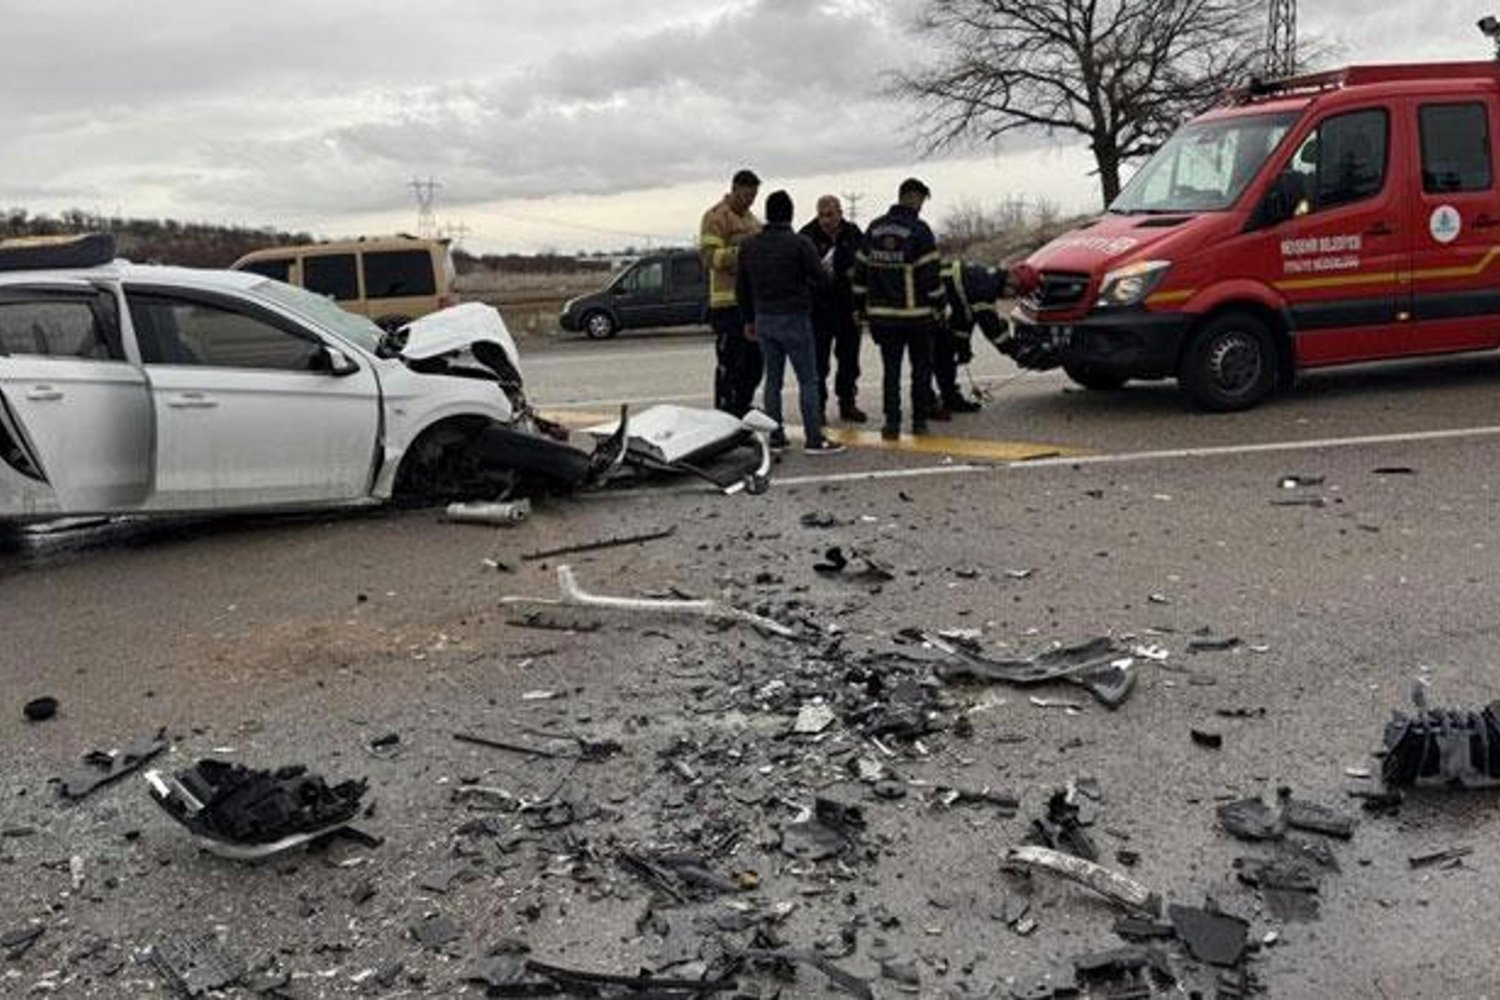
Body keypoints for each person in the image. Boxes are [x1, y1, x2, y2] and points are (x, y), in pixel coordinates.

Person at [736, 190, 845, 455]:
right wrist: (826, 271)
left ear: (768, 213)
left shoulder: (750, 246)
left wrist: (749, 319)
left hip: (764, 319)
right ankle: (813, 439)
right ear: (790, 213)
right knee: (808, 380)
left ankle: (775, 437)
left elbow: (742, 287)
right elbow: (822, 280)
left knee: (772, 380)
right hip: (795, 318)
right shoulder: (800, 244)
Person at [851, 177, 946, 441]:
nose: (921, 207)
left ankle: (891, 424)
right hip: (917, 317)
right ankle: (918, 422)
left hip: (882, 318)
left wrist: (858, 306)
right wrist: (940, 305)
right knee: (920, 371)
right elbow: (931, 277)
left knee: (890, 373)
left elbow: (859, 273)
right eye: (921, 201)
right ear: (914, 197)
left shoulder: (874, 229)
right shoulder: (920, 231)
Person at [798, 195, 867, 423]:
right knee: (818, 363)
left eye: (830, 215)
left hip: (848, 308)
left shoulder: (853, 233)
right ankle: (818, 409)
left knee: (849, 360)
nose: (826, 220)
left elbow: (865, 266)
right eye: (821, 215)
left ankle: (847, 403)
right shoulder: (807, 236)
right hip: (819, 310)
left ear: (840, 213)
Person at [700, 169, 763, 416]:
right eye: (747, 195)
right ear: (734, 189)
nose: (750, 201)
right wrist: (741, 255)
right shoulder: (715, 217)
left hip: (750, 304)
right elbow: (708, 257)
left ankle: (743, 405)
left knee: (755, 362)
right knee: (731, 362)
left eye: (754, 196)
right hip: (726, 303)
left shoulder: (754, 222)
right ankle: (726, 412)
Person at [938, 259, 1008, 406]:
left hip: (937, 297)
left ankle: (947, 396)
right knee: (941, 350)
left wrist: (963, 347)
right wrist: (1015, 349)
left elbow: (964, 316)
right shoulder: (986, 288)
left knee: (945, 348)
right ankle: (939, 399)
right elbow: (991, 329)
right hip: (929, 301)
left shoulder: (988, 278)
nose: (1012, 297)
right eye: (1016, 292)